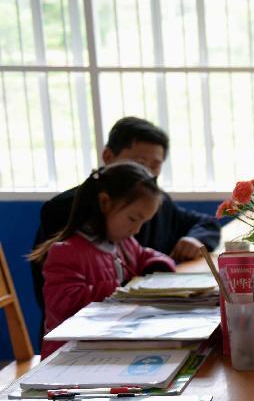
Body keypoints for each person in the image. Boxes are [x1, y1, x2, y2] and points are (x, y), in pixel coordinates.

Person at [31, 117, 220, 311]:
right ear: (108, 156)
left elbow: (204, 223)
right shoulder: (68, 209)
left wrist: (194, 240)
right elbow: (61, 300)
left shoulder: (153, 201)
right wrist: (128, 285)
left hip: (133, 313)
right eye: (138, 163)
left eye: (155, 166)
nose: (145, 173)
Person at [29, 161, 176, 357]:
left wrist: (156, 265)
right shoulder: (65, 252)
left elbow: (143, 255)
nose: (137, 230)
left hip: (109, 346)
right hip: (69, 356)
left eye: (143, 222)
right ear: (105, 203)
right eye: (133, 219)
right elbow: (64, 307)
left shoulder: (124, 242)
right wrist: (120, 289)